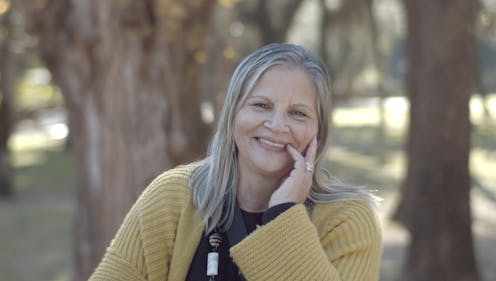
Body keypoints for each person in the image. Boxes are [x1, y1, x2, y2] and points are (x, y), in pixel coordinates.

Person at [89, 43, 382, 281]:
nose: (277, 125)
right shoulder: (174, 197)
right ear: (233, 116)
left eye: (298, 113)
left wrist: (283, 214)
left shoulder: (349, 219)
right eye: (261, 105)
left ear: (320, 130)